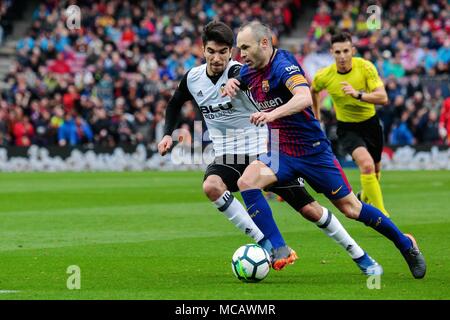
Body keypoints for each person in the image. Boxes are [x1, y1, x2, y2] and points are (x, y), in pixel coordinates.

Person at [158, 21, 382, 274]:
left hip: (265, 151)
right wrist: (167, 134)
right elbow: (174, 104)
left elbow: (243, 79)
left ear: (232, 51)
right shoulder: (193, 78)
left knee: (310, 210)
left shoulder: (240, 72)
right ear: (203, 49)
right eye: (211, 51)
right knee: (211, 186)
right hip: (228, 155)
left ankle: (359, 254)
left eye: (223, 52)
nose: (217, 57)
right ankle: (267, 244)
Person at [222, 21, 426, 279]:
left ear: (264, 43)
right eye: (239, 49)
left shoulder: (284, 64)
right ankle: (278, 247)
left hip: (313, 152)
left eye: (245, 48)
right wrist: (229, 84)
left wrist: (272, 114)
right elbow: (238, 78)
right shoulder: (249, 70)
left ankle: (405, 244)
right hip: (282, 152)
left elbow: (305, 97)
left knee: (352, 209)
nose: (241, 55)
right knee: (247, 181)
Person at [311, 32, 390, 216]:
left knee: (376, 171)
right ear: (332, 52)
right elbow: (313, 90)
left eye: (346, 51)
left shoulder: (365, 68)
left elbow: (383, 97)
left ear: (353, 50)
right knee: (367, 165)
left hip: (371, 124)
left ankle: (363, 196)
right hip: (347, 128)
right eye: (338, 52)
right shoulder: (325, 75)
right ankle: (382, 215)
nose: (342, 56)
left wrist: (358, 95)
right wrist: (316, 116)